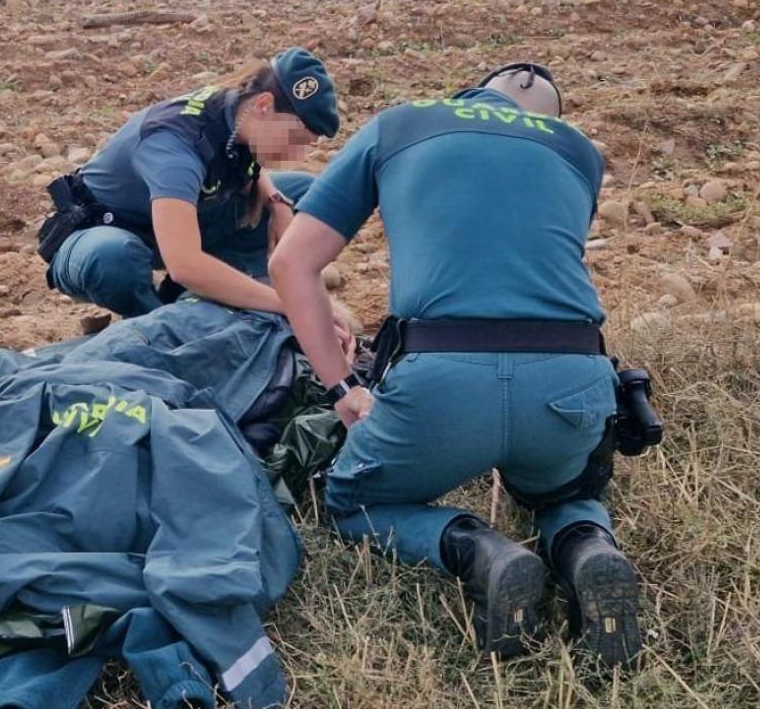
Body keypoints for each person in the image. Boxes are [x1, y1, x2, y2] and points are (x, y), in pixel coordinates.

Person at [268, 63, 644, 670]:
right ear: (545, 120)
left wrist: (341, 386)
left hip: (441, 381)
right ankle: (585, 545)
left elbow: (291, 265)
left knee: (354, 501)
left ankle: (478, 551)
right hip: (569, 379)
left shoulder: (401, 126)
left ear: (470, 93)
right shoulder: (577, 151)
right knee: (567, 490)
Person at [39, 49, 347, 330]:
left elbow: (242, 161)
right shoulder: (176, 148)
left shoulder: (237, 105)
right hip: (98, 234)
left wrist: (278, 203)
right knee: (115, 259)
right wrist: (293, 307)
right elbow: (185, 263)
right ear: (264, 105)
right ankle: (156, 326)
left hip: (176, 220)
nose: (298, 155)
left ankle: (209, 295)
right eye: (295, 139)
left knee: (307, 196)